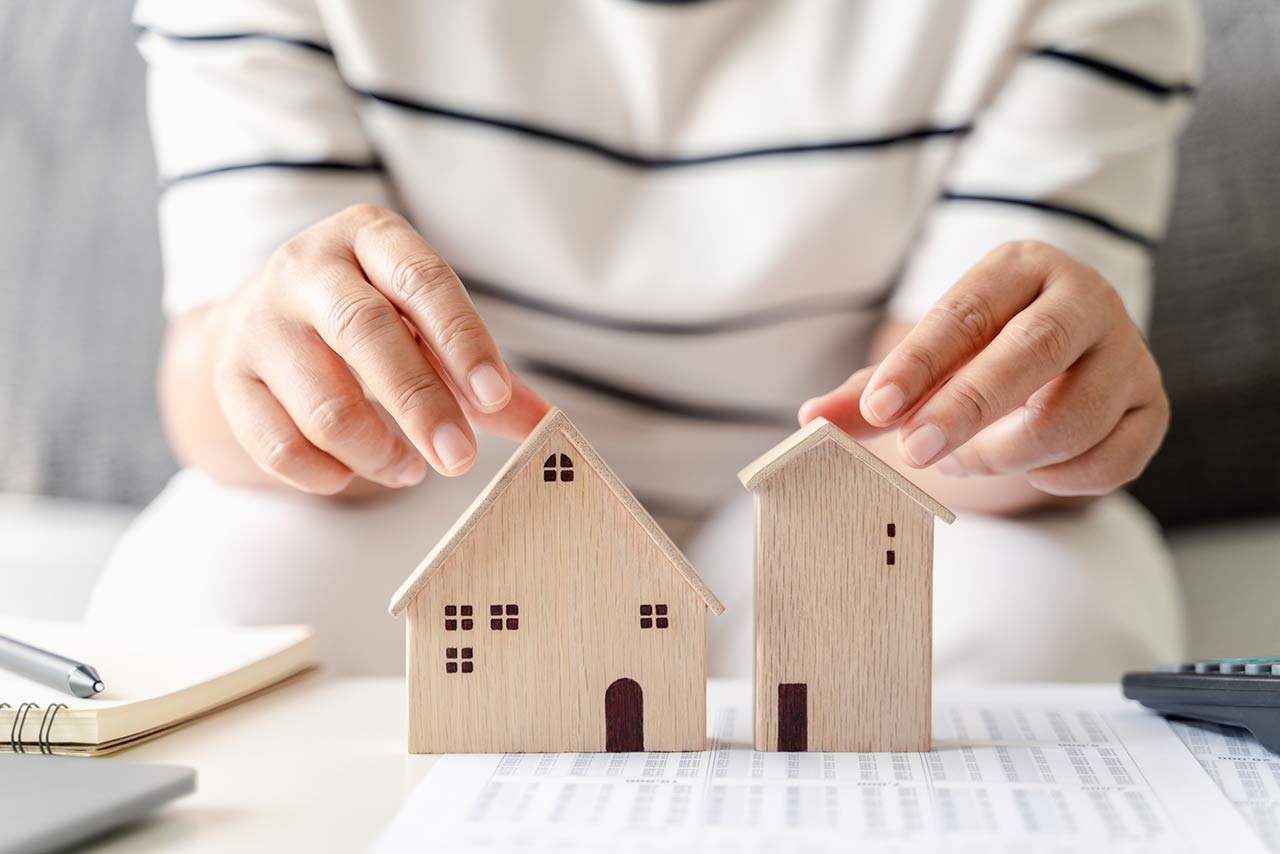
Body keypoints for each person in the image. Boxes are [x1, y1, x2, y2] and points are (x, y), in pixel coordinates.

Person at [87, 0, 1199, 679]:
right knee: (197, 601)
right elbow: (213, 384)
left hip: (844, 480)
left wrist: (1037, 413)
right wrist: (268, 360)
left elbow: (964, 416)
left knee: (1044, 615)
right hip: (448, 482)